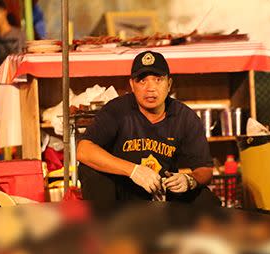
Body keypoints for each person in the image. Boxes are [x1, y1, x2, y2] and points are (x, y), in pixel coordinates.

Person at [76, 50, 220, 208]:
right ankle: (105, 228)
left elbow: (205, 169)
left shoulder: (185, 117)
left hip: (162, 192)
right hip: (121, 194)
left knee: (207, 200)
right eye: (142, 81)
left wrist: (189, 180)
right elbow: (83, 150)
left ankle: (185, 231)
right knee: (91, 171)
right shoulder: (117, 110)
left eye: (158, 80)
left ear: (169, 84)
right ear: (132, 85)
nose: (150, 88)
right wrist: (133, 171)